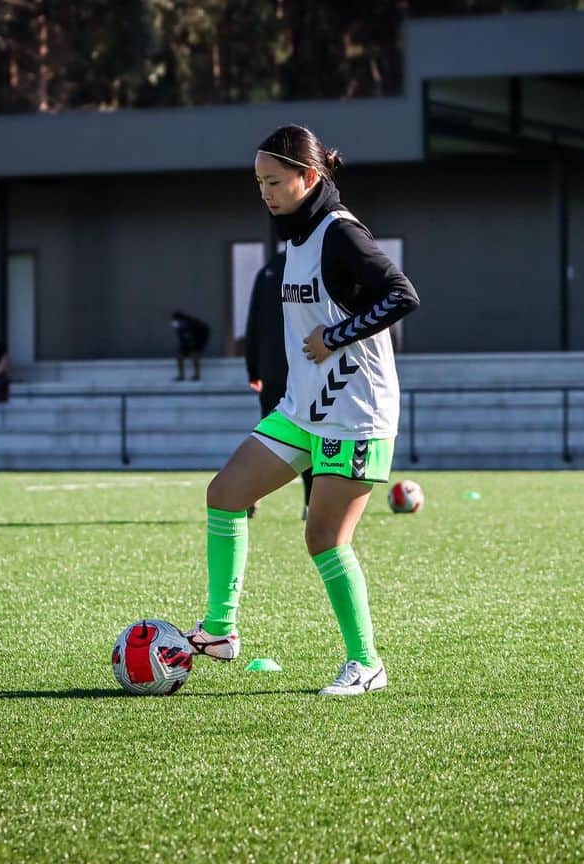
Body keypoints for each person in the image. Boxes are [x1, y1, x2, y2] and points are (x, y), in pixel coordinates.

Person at [185, 124, 420, 697]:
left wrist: (338, 335)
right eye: (258, 182)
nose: (264, 192)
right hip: (303, 410)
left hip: (356, 413)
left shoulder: (341, 233)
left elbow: (402, 294)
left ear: (309, 177)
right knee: (226, 493)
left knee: (324, 540)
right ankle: (220, 630)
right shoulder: (295, 237)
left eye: (273, 181)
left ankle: (366, 664)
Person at [244, 249, 313, 520]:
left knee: (270, 436)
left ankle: (250, 493)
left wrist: (253, 368)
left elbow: (254, 323)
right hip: (305, 367)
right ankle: (311, 503)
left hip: (272, 370)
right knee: (310, 434)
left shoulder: (268, 271)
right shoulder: (313, 265)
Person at [171, 310, 210, 381]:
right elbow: (181, 339)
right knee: (180, 357)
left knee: (195, 356)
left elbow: (195, 338)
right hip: (188, 342)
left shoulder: (192, 324)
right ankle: (181, 376)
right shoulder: (179, 327)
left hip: (199, 339)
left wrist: (194, 347)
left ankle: (197, 375)